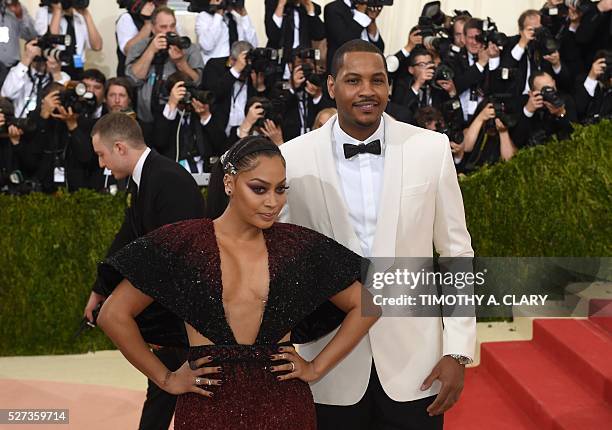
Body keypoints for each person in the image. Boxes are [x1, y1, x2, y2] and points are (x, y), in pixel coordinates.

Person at [96, 135, 380, 430]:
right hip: (207, 407)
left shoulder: (296, 245)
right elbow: (112, 315)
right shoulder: (183, 243)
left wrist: (316, 367)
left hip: (284, 407)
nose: (273, 202)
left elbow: (367, 306)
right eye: (259, 189)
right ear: (229, 183)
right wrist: (165, 377)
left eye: (281, 189)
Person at [280, 40, 476, 430]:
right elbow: (280, 262)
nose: (367, 91)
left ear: (389, 87)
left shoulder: (430, 149)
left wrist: (458, 351)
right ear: (332, 86)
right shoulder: (291, 157)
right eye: (354, 80)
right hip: (327, 362)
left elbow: (456, 252)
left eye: (378, 80)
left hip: (416, 363)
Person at [82, 112, 205, 430]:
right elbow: (126, 240)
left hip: (187, 321)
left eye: (101, 155)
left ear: (120, 147)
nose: (101, 164)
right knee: (164, 391)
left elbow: (179, 257)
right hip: (173, 320)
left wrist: (127, 305)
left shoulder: (166, 179)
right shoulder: (146, 178)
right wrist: (100, 289)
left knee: (177, 393)